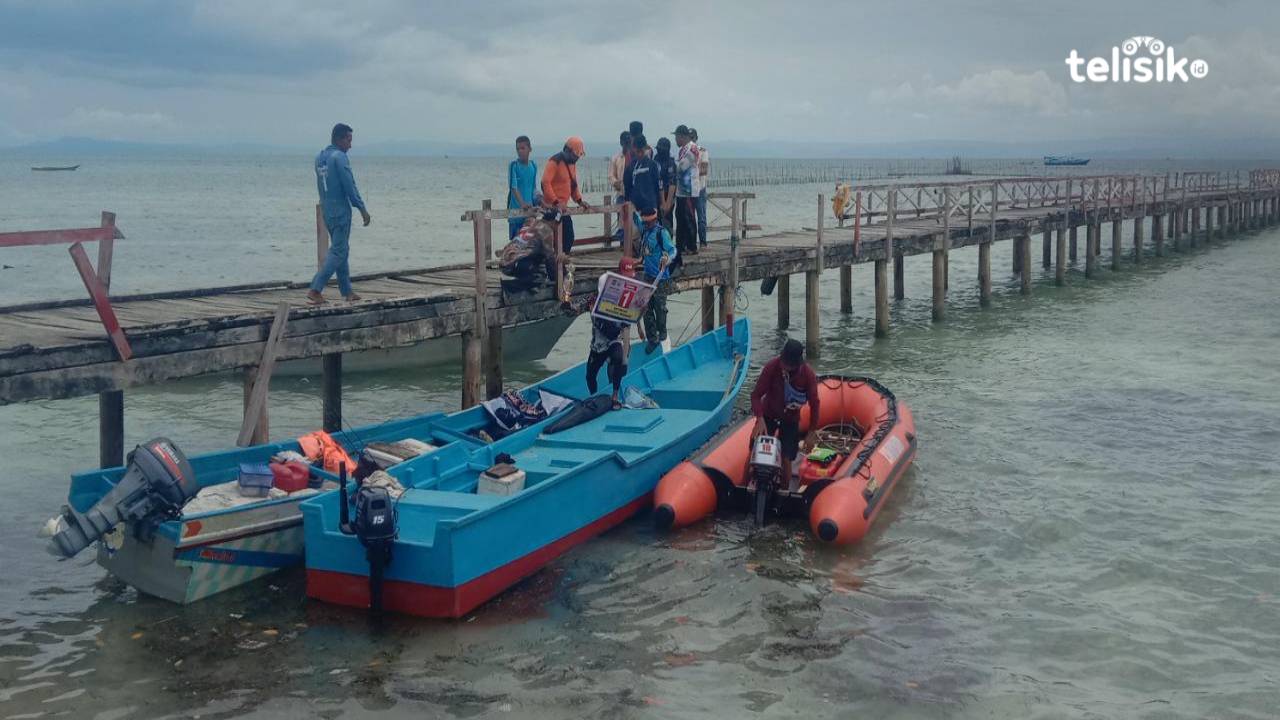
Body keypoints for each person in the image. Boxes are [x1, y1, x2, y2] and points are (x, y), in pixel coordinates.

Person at [308, 123, 371, 304]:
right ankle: (315, 288)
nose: (350, 145)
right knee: (339, 250)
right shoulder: (340, 157)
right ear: (339, 139)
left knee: (341, 248)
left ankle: (347, 291)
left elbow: (321, 185)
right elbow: (349, 185)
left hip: (327, 208)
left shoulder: (319, 158)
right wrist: (362, 208)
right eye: (348, 140)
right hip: (340, 210)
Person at [749, 339, 820, 493]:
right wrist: (759, 419)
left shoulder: (807, 376)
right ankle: (749, 482)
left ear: (797, 365)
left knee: (787, 457)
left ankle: (784, 491)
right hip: (769, 413)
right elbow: (755, 396)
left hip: (790, 419)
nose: (785, 367)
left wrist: (812, 432)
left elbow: (815, 404)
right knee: (754, 444)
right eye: (784, 363)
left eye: (789, 365)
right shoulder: (772, 367)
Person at [583, 257, 646, 409]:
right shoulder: (605, 285)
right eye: (625, 274)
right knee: (590, 375)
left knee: (620, 361)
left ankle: (615, 395)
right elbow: (590, 308)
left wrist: (639, 323)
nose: (628, 278)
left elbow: (635, 313)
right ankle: (594, 396)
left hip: (617, 336)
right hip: (600, 339)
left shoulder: (632, 288)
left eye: (630, 275)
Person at [541, 136, 590, 253]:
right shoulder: (555, 161)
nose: (576, 159)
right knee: (551, 242)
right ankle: (553, 265)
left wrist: (579, 201)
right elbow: (545, 182)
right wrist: (556, 202)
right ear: (567, 150)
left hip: (563, 210)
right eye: (575, 155)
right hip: (551, 209)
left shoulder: (572, 164)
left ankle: (561, 264)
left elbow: (573, 185)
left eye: (578, 156)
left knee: (569, 238)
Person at [637, 208, 675, 350]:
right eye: (644, 223)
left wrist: (667, 258)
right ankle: (652, 339)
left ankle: (662, 334)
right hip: (647, 276)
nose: (645, 225)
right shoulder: (645, 232)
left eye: (647, 223)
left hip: (661, 277)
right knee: (645, 308)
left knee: (660, 307)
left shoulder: (661, 233)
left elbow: (673, 250)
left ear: (654, 221)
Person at [672, 124, 701, 261]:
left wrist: (673, 166)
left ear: (682, 136)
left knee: (689, 218)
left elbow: (682, 166)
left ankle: (692, 246)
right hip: (681, 190)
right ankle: (681, 246)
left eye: (676, 137)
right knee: (680, 218)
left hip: (689, 190)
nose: (675, 140)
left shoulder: (692, 148)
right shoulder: (683, 149)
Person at [624, 134, 660, 228]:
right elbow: (627, 186)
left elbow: (657, 187)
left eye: (641, 151)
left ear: (645, 148)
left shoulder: (652, 165)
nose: (639, 154)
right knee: (635, 235)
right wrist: (628, 202)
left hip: (651, 207)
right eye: (637, 151)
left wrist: (657, 205)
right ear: (633, 148)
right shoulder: (631, 166)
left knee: (651, 235)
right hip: (635, 207)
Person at [507, 136, 538, 239]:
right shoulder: (514, 166)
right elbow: (513, 187)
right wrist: (522, 204)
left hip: (529, 215)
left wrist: (540, 202)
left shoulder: (533, 166)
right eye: (518, 149)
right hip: (516, 215)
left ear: (530, 149)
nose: (520, 151)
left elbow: (534, 188)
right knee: (516, 246)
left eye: (523, 148)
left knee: (529, 247)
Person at [608, 131, 631, 244]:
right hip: (621, 193)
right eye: (625, 141)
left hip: (633, 195)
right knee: (621, 220)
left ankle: (632, 244)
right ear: (621, 142)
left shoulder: (634, 156)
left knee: (633, 220)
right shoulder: (616, 158)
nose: (627, 143)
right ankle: (623, 243)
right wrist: (615, 182)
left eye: (629, 141)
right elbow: (611, 175)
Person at [691, 128, 710, 248]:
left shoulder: (703, 151)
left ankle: (703, 242)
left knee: (701, 217)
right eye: (689, 137)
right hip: (688, 190)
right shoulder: (685, 152)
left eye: (693, 137)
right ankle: (691, 243)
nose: (691, 140)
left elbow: (704, 170)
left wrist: (691, 172)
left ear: (696, 138)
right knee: (689, 217)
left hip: (700, 188)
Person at [655, 137, 677, 235]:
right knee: (657, 221)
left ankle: (668, 245)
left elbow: (672, 183)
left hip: (669, 194)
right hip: (657, 195)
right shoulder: (655, 159)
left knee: (667, 220)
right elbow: (658, 180)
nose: (659, 151)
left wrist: (667, 203)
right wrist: (661, 202)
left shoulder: (671, 162)